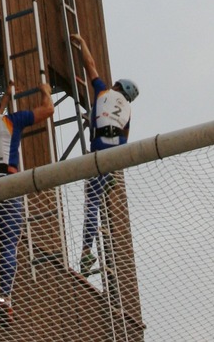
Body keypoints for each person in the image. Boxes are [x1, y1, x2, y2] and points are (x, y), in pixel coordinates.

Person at [0, 80, 54, 323]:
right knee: (9, 244)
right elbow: (47, 110)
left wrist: (6, 95)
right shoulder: (12, 122)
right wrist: (45, 91)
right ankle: (4, 298)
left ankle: (2, 297)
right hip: (6, 186)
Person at [71, 33, 139, 275]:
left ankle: (86, 251)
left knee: (92, 202)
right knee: (98, 192)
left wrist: (83, 42)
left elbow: (90, 66)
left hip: (100, 146)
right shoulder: (128, 109)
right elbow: (125, 137)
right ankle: (109, 177)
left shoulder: (102, 91)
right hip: (115, 150)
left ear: (117, 85)